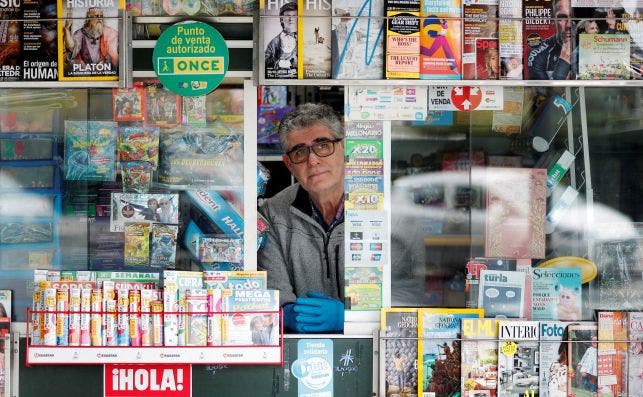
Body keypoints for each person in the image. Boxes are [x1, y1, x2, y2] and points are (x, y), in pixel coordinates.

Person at [257, 103, 345, 333]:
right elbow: (274, 294)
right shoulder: (273, 213)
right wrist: (286, 314)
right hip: (301, 352)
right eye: (299, 152)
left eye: (323, 145)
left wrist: (349, 317)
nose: (313, 160)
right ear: (289, 165)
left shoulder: (384, 208)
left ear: (345, 147)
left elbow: (407, 293)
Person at [527, 0, 573, 79]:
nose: (569, 24)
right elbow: (545, 91)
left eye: (574, 18)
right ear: (552, 20)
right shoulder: (538, 55)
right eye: (562, 17)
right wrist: (563, 63)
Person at [264, 1, 298, 78]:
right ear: (282, 19)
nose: (291, 19)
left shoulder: (305, 40)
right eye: (288, 15)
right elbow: (264, 63)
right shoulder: (274, 42)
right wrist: (278, 62)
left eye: (294, 16)